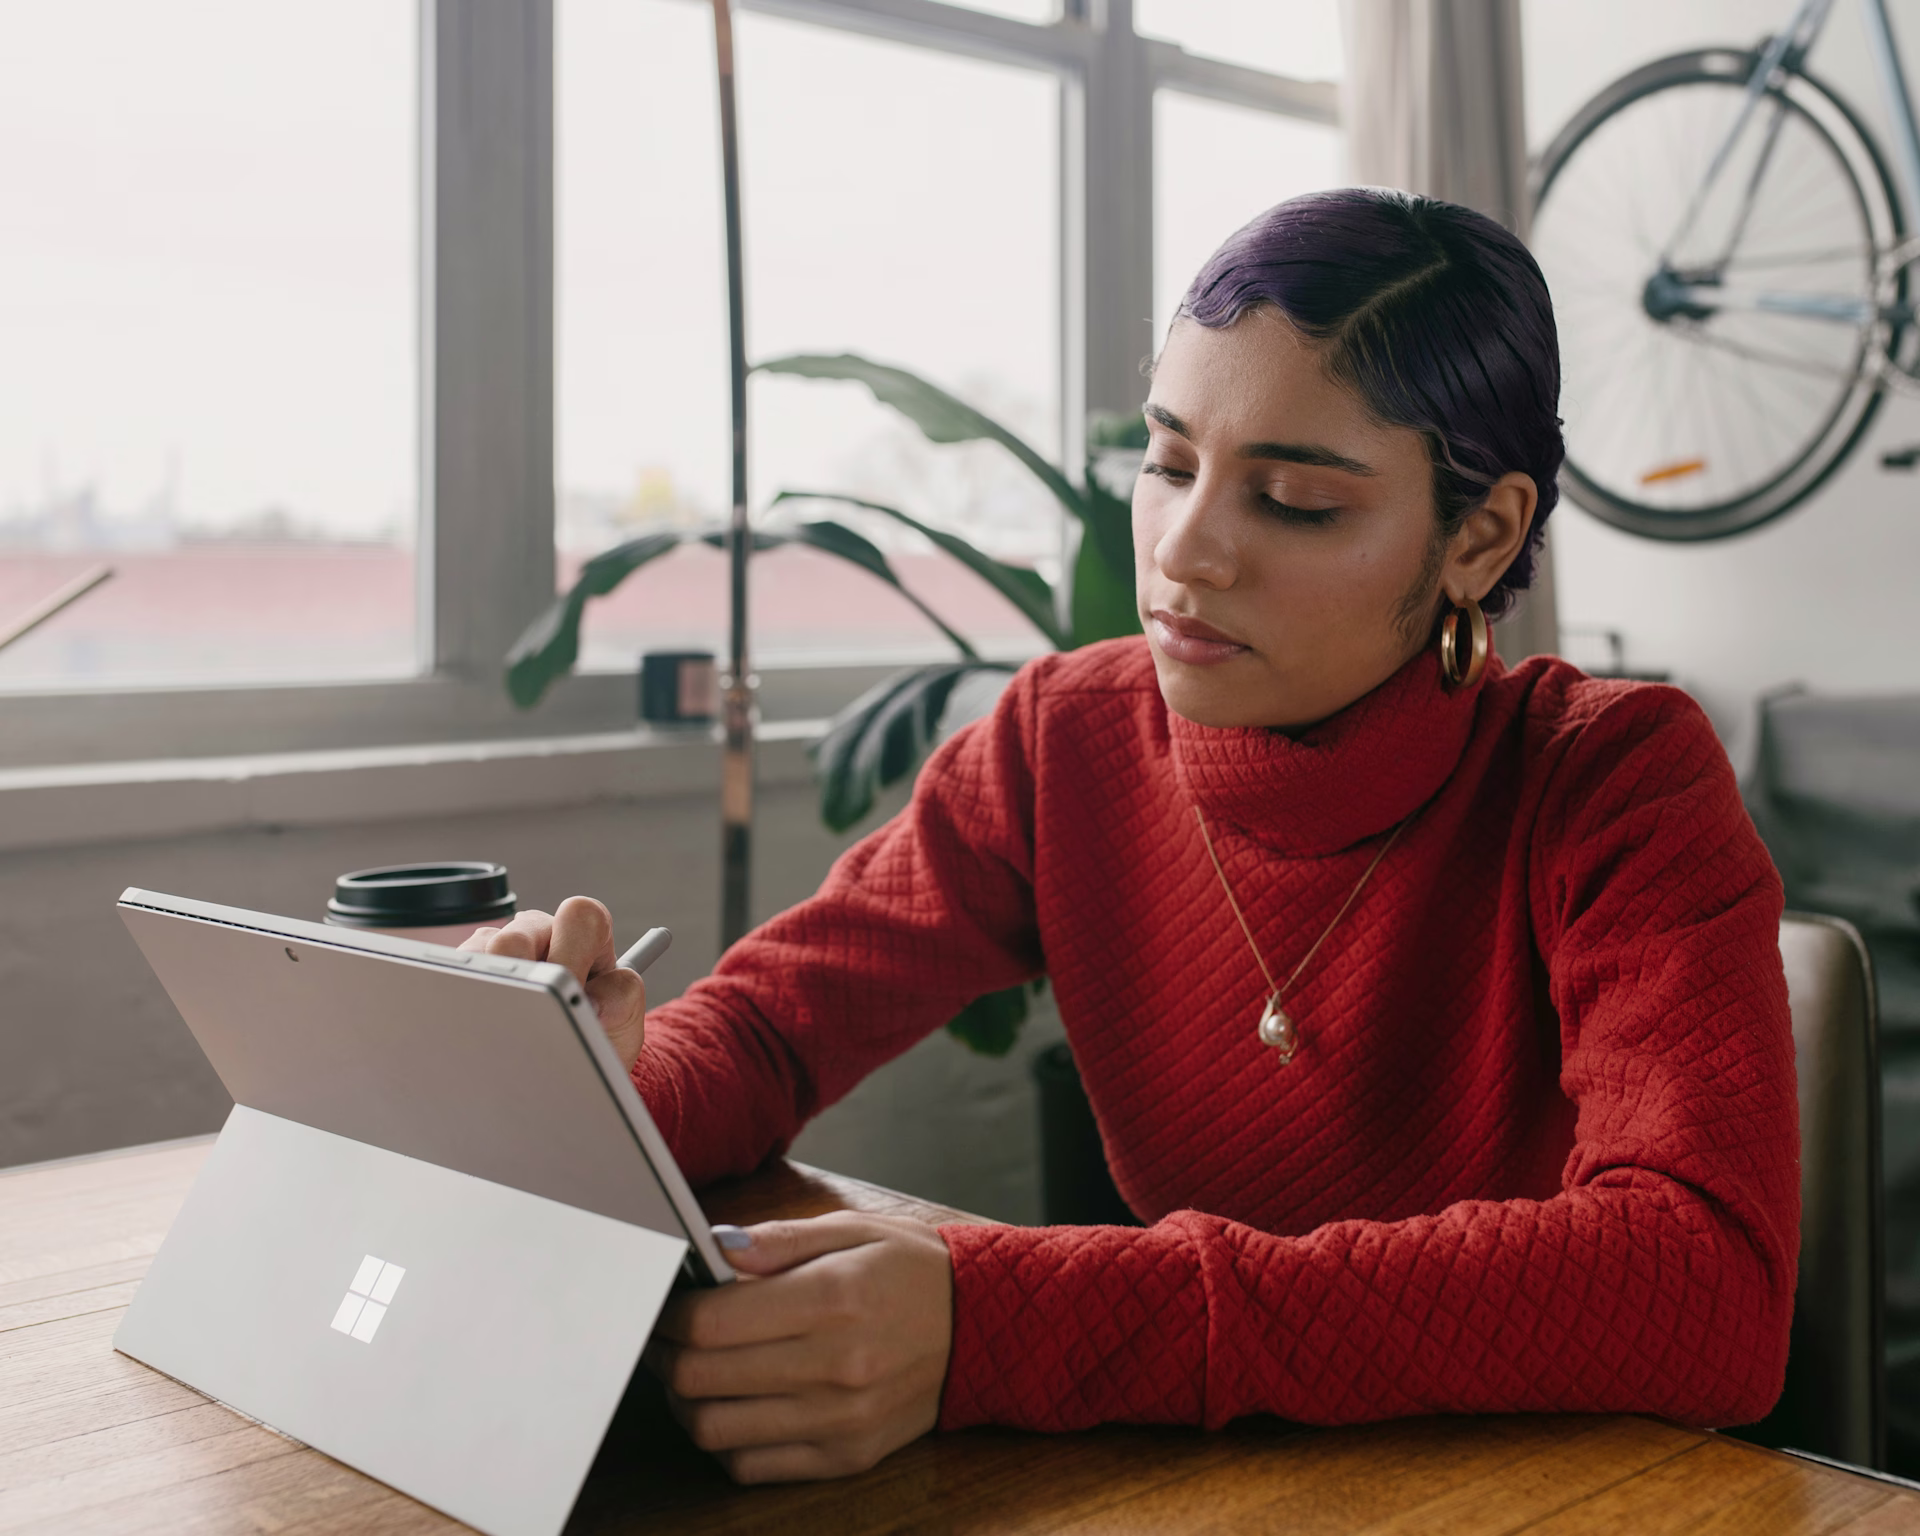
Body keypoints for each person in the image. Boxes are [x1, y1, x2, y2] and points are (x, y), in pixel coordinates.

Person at [468, 188, 1797, 1484]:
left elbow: (1704, 1280)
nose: (1184, 552)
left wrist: (1005, 1320)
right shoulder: (1067, 740)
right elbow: (769, 1024)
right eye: (1167, 463)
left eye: (1292, 500)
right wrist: (578, 1084)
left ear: (1479, 535)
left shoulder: (1615, 779)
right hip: (1219, 1491)